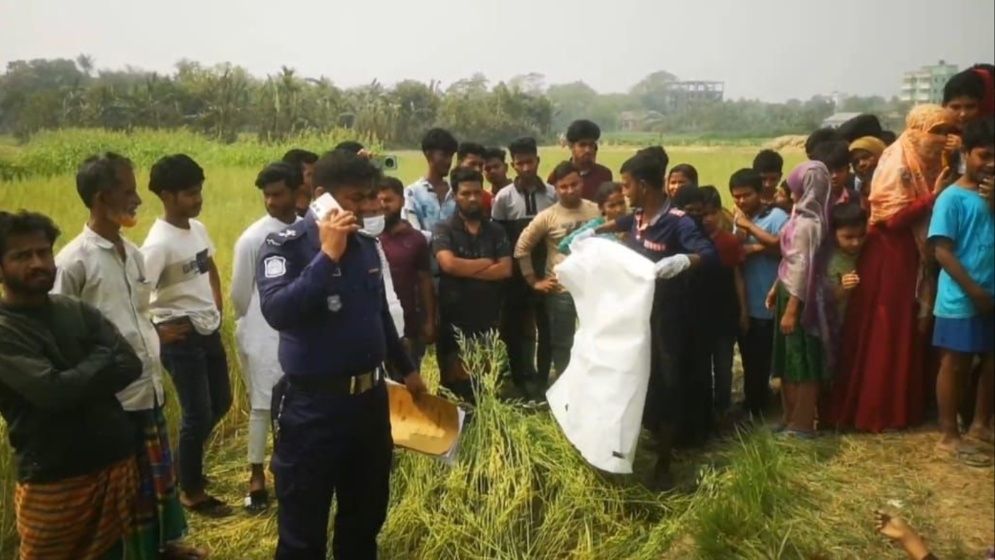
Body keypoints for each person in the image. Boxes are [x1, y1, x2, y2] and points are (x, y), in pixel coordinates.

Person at [258, 149, 425, 559]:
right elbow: (279, 311)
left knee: (364, 517)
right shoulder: (286, 248)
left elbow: (379, 315)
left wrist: (407, 370)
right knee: (303, 528)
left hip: (369, 406)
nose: (368, 207)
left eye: (371, 197)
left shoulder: (366, 248)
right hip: (313, 407)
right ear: (321, 196)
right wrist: (327, 255)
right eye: (356, 198)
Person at [53, 154, 205, 557]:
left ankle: (163, 546)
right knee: (121, 489)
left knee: (152, 479)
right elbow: (59, 333)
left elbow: (136, 317)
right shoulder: (74, 262)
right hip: (111, 399)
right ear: (103, 198)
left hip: (145, 387)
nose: (139, 199)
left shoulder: (133, 253)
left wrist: (155, 335)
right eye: (129, 191)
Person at [0, 210, 143, 560]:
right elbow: (53, 393)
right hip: (55, 478)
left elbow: (130, 364)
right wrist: (98, 357)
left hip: (113, 463)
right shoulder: (6, 329)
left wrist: (75, 376)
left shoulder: (73, 308)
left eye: (44, 252)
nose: (38, 262)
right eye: (22, 256)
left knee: (112, 554)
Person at [827, 104, 960, 432]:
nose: (943, 138)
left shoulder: (932, 163)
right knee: (887, 330)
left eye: (948, 131)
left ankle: (902, 407)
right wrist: (933, 197)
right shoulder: (896, 161)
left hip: (914, 254)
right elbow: (889, 218)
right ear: (917, 131)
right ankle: (877, 409)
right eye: (937, 131)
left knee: (908, 328)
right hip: (888, 254)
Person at [600, 146, 717, 490]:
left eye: (626, 185)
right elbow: (623, 223)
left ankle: (666, 459)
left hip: (670, 319)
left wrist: (683, 261)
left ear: (644, 187)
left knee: (668, 382)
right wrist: (594, 231)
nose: (623, 192)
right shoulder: (638, 217)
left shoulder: (678, 222)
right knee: (641, 377)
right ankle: (649, 437)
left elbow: (708, 255)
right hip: (638, 314)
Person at [142, 154, 232, 516]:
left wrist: (217, 303)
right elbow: (136, 299)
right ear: (166, 196)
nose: (198, 199)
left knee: (221, 402)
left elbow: (208, 265)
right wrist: (156, 332)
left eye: (199, 191)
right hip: (181, 337)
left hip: (206, 327)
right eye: (189, 194)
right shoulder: (157, 245)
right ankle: (190, 492)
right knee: (197, 414)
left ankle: (183, 468)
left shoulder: (197, 229)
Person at [230, 162, 303, 513]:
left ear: (296, 192)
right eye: (267, 195)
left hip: (298, 333)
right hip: (261, 332)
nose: (272, 202)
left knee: (295, 405)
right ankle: (256, 476)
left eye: (278, 194)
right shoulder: (253, 238)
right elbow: (240, 295)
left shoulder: (308, 231)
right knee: (262, 406)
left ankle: (292, 470)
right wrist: (250, 327)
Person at [928, 116, 994, 466]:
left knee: (990, 361)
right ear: (966, 154)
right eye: (985, 156)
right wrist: (974, 290)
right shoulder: (951, 198)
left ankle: (981, 425)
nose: (991, 164)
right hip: (961, 297)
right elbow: (942, 250)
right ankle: (948, 434)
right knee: (954, 364)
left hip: (991, 293)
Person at [767, 162, 836, 437]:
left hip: (801, 297)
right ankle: (790, 416)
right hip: (791, 289)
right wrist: (775, 288)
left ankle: (802, 422)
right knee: (788, 357)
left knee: (801, 360)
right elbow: (789, 261)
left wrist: (792, 309)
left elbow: (801, 266)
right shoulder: (807, 217)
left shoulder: (807, 224)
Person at [433, 167, 513, 402]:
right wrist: (487, 263)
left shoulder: (495, 231)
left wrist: (465, 269)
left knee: (485, 383)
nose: (472, 199)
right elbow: (448, 265)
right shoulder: (443, 228)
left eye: (477, 193)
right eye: (465, 193)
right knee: (453, 383)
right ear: (455, 195)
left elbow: (506, 269)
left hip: (487, 316)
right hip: (453, 318)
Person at [514, 161, 600, 381]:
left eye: (574, 184)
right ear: (556, 188)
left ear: (581, 182)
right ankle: (566, 389)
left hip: (594, 289)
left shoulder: (595, 209)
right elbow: (522, 248)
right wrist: (534, 281)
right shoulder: (548, 216)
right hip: (561, 291)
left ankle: (593, 386)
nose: (570, 190)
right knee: (563, 343)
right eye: (564, 187)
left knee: (595, 339)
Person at [492, 136, 557, 400]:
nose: (526, 168)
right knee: (514, 327)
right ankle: (519, 378)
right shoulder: (503, 197)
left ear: (538, 161)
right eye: (520, 163)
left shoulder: (552, 194)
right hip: (515, 274)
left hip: (547, 269)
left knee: (547, 326)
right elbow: (498, 236)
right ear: (513, 165)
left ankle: (543, 380)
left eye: (530, 162)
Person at [729, 168, 790, 418]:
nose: (741, 201)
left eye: (746, 195)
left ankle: (763, 406)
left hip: (769, 299)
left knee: (766, 359)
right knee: (750, 359)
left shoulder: (777, 217)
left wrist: (748, 232)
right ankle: (753, 404)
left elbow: (785, 249)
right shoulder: (736, 220)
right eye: (736, 196)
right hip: (747, 302)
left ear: (759, 192)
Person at [699, 185, 749, 422]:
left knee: (723, 364)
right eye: (702, 214)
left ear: (719, 212)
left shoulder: (728, 242)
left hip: (725, 311)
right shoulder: (692, 241)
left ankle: (722, 409)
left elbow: (737, 276)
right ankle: (705, 409)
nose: (707, 219)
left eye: (711, 213)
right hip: (699, 313)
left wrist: (743, 311)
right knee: (701, 365)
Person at [379, 176, 436, 371]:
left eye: (388, 200)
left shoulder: (416, 239)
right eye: (379, 200)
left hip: (410, 325)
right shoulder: (366, 237)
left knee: (408, 382)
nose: (383, 205)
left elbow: (424, 280)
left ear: (402, 201)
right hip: (377, 326)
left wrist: (429, 320)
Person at [405, 128, 459, 239]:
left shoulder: (456, 192)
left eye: (451, 156)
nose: (449, 161)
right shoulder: (412, 193)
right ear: (428, 155)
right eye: (444, 155)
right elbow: (414, 233)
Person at [547, 119, 613, 201]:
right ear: (571, 146)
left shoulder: (604, 174)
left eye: (591, 145)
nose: (588, 150)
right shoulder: (558, 175)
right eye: (582, 145)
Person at [559, 181, 628, 254]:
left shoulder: (633, 222)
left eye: (621, 203)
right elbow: (564, 245)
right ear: (601, 208)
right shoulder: (595, 226)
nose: (619, 209)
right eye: (612, 206)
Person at [826, 203, 868, 321]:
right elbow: (827, 299)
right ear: (833, 234)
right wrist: (843, 287)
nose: (856, 242)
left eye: (861, 235)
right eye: (848, 237)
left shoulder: (868, 251)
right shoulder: (829, 260)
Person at [812, 140, 855, 204]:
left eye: (840, 170)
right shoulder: (811, 201)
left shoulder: (857, 200)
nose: (834, 175)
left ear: (848, 170)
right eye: (828, 170)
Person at [849, 136, 887, 207]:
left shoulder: (896, 184)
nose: (861, 164)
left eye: (865, 157)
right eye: (856, 162)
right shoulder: (856, 190)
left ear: (880, 154)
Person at [457, 142, 493, 213]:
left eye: (480, 165)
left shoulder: (487, 199)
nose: (478, 169)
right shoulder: (445, 196)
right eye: (472, 164)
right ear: (459, 163)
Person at [282, 148, 319, 217]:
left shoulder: (318, 212)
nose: (318, 178)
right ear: (296, 178)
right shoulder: (290, 219)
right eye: (310, 175)